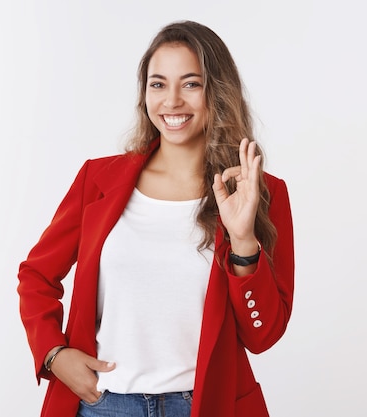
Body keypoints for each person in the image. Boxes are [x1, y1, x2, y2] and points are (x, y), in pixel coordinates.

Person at [18, 20, 294, 417]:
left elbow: (262, 334)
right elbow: (36, 276)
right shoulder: (98, 180)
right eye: (158, 84)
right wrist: (53, 353)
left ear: (217, 91)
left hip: (205, 405)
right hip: (102, 405)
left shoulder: (258, 192)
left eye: (191, 83)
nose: (172, 101)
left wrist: (244, 240)